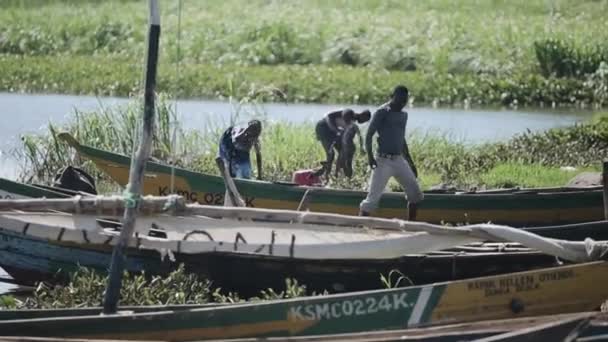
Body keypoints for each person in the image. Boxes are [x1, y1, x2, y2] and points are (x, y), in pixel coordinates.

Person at [359, 85, 423, 220]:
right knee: (371, 201)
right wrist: (370, 157)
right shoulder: (382, 112)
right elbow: (369, 135)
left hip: (399, 160)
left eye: (404, 100)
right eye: (399, 99)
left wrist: (410, 161)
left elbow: (401, 139)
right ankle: (360, 225)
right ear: (392, 97)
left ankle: (411, 226)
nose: (402, 103)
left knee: (415, 195)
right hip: (383, 161)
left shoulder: (403, 115)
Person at [316, 108, 370, 178]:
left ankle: (338, 175)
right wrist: (336, 130)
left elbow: (356, 135)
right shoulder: (349, 112)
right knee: (331, 154)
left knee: (342, 152)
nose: (364, 122)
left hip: (333, 131)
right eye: (365, 120)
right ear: (363, 115)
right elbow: (329, 116)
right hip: (323, 127)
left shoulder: (353, 122)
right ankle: (326, 176)